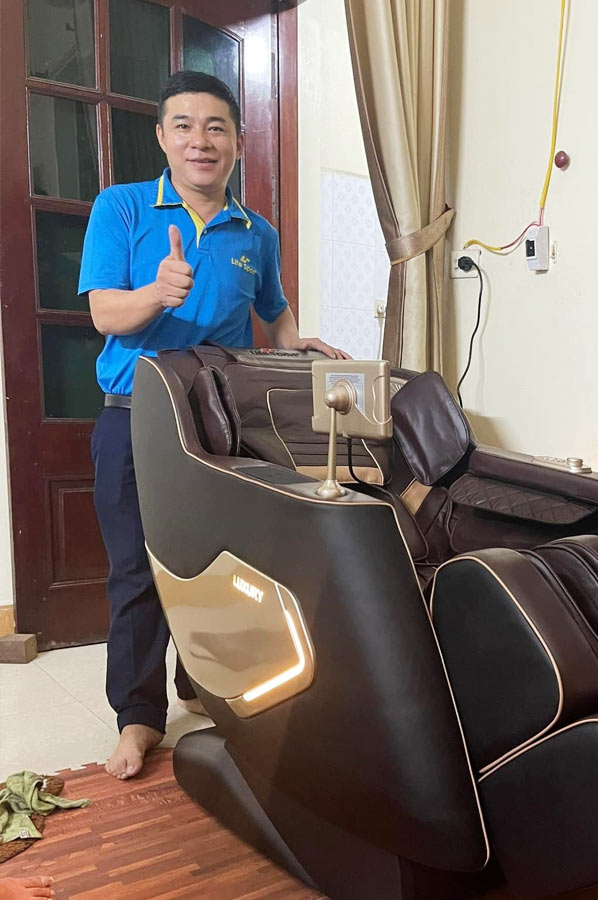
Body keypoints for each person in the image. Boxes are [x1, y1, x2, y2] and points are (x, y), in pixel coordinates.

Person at [78, 70, 348, 781]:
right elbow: (104, 313)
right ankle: (137, 718)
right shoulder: (122, 207)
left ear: (236, 142)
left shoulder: (257, 233)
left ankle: (203, 684)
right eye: (185, 126)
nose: (201, 140)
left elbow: (274, 312)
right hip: (133, 420)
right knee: (137, 572)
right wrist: (155, 293)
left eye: (216, 127)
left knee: (223, 565)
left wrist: (296, 344)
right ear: (162, 137)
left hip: (218, 422)